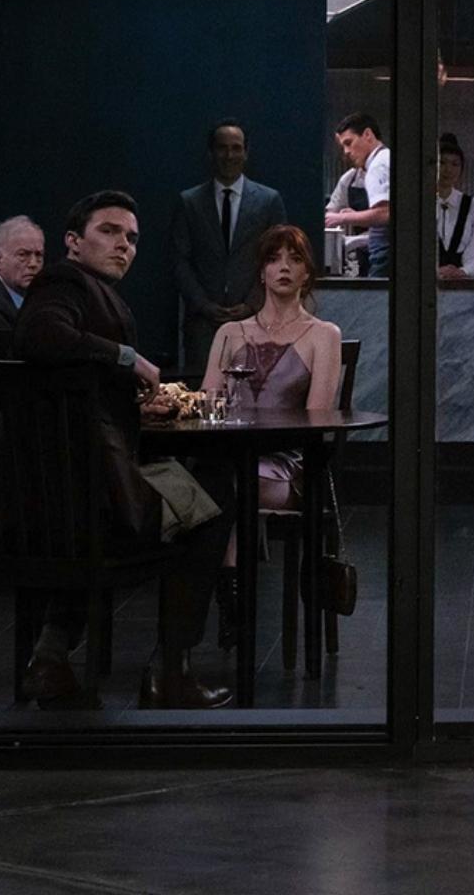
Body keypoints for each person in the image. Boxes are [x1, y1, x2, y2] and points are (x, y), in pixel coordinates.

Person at [14, 191, 232, 709]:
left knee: (188, 489)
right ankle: (172, 670)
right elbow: (40, 335)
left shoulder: (93, 292)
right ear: (73, 241)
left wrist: (134, 405)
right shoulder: (63, 282)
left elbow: (75, 383)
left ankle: (50, 656)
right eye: (109, 232)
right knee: (213, 500)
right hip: (87, 499)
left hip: (65, 493)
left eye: (132, 238)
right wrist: (129, 358)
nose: (124, 245)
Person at [199, 225, 343, 650]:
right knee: (211, 478)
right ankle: (229, 597)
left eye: (295, 259)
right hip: (233, 456)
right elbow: (207, 404)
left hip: (289, 465)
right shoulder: (230, 333)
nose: (284, 267)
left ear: (307, 273)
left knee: (221, 485)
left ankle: (230, 595)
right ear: (261, 271)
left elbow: (317, 418)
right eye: (274, 259)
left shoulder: (323, 334)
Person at [173, 119, 288, 374]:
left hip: (256, 319)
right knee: (202, 391)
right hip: (203, 324)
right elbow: (180, 261)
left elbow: (279, 258)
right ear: (211, 153)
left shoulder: (269, 201)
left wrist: (251, 303)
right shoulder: (189, 202)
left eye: (236, 148)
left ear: (246, 153)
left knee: (255, 392)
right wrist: (204, 305)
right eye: (222, 148)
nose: (229, 155)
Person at [324, 112, 392, 277]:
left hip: (386, 255)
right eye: (343, 147)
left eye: (349, 143)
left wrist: (342, 218)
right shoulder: (386, 159)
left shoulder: (378, 165)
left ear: (367, 134)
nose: (346, 152)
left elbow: (385, 213)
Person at [435, 134, 474, 280]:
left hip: (462, 283)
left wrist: (464, 271)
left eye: (455, 164)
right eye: (442, 162)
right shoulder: (419, 204)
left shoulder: (472, 205)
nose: (448, 169)